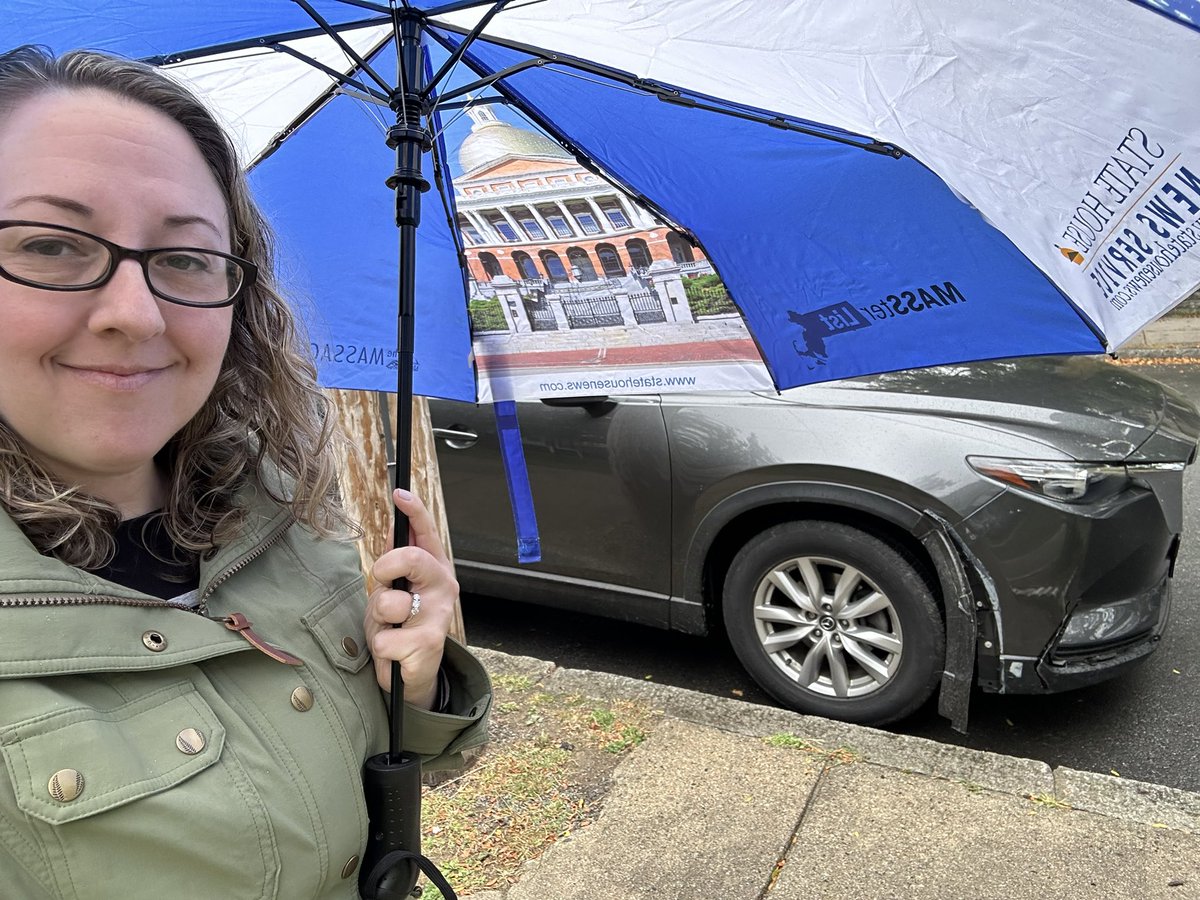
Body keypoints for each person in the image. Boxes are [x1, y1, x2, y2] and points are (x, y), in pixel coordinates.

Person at [0, 45, 490, 899]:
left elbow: (378, 761)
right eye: (50, 244)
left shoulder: (273, 506)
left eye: (185, 257)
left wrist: (422, 680)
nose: (135, 314)